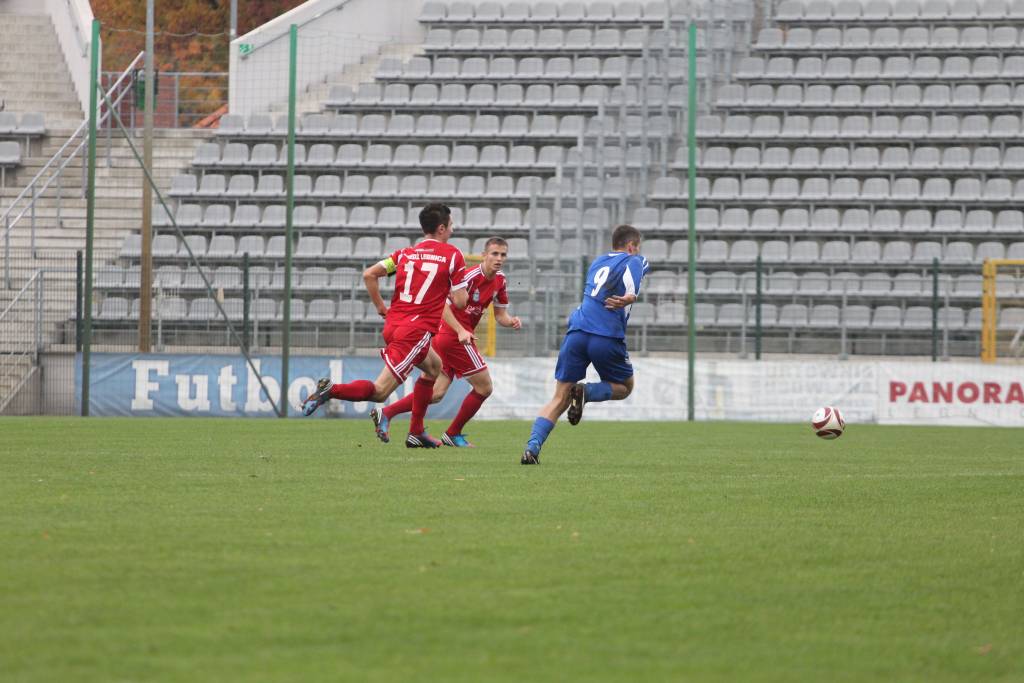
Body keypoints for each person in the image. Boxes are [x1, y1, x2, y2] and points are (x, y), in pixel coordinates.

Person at [302, 203, 468, 448]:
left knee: (434, 367)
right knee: (380, 391)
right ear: (442, 228)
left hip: (394, 325)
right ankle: (331, 390)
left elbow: (369, 274)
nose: (453, 230)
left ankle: (417, 432)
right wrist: (452, 291)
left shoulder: (404, 255)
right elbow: (461, 302)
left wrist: (381, 307)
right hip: (415, 331)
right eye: (451, 225)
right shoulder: (453, 255)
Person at [373, 237, 522, 447]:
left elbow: (500, 315)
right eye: (494, 254)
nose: (498, 259)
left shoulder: (500, 280)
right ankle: (453, 433)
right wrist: (460, 330)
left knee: (435, 394)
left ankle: (387, 412)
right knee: (484, 388)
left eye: (503, 255)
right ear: (484, 255)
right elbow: (442, 303)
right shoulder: (470, 277)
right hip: (453, 337)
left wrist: (512, 321)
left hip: (456, 337)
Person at [521, 224, 649, 465]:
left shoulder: (598, 262)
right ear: (632, 246)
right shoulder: (635, 258)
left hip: (577, 332)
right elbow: (634, 274)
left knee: (559, 397)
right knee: (624, 386)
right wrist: (630, 296)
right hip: (606, 335)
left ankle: (532, 448)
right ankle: (587, 392)